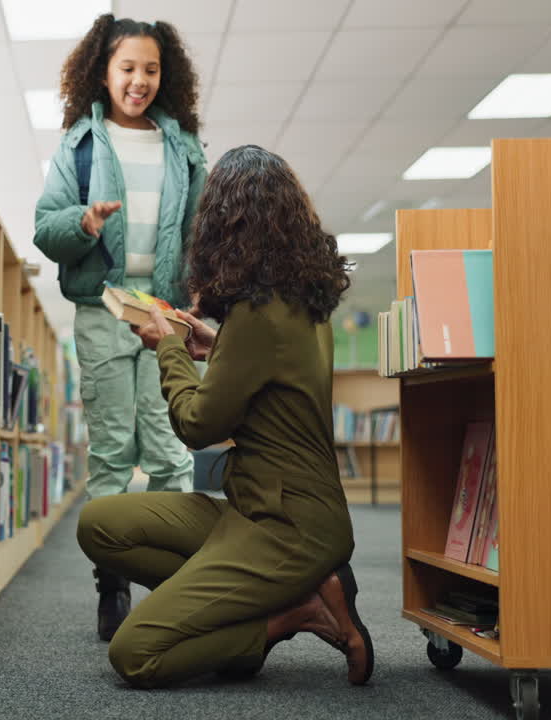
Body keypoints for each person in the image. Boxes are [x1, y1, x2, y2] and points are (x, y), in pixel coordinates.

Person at [76, 144, 374, 688]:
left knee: (136, 653)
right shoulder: (299, 303)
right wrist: (215, 347)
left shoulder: (258, 315)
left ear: (226, 229)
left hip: (289, 530)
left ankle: (290, 614)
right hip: (257, 508)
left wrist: (167, 347)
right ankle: (233, 604)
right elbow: (273, 378)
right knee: (100, 526)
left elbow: (198, 426)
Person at [32, 14, 206, 643]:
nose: (139, 80)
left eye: (151, 69)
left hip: (163, 313)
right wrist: (84, 219)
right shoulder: (78, 146)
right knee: (111, 453)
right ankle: (113, 586)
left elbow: (202, 233)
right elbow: (44, 229)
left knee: (169, 451)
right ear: (103, 74)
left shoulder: (184, 148)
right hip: (103, 308)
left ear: (167, 76)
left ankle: (179, 585)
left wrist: (201, 294)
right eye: (128, 68)